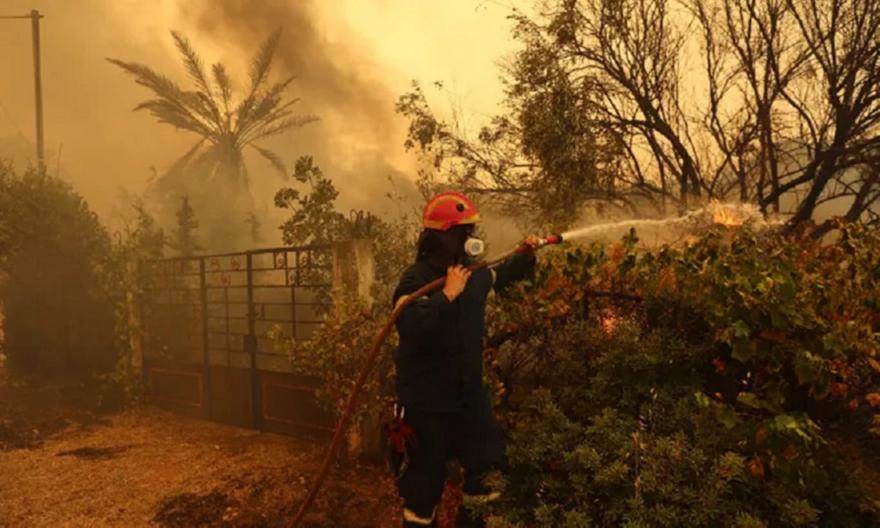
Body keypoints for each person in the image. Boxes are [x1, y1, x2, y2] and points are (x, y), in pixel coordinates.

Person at [390, 191, 538, 527]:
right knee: (423, 490)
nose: (469, 240)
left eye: (470, 232)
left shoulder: (474, 274)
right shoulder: (414, 280)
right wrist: (446, 295)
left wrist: (525, 255)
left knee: (489, 470)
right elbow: (408, 324)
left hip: (469, 399)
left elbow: (503, 275)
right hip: (427, 406)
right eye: (462, 233)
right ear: (440, 237)